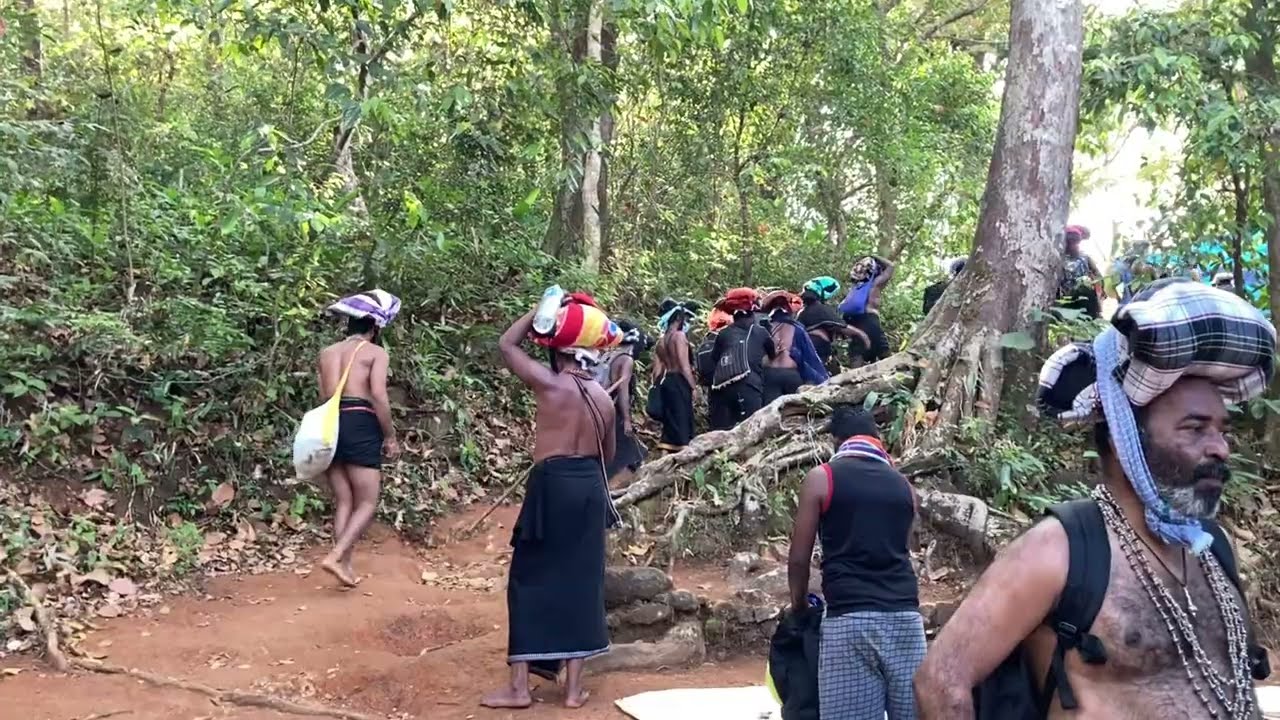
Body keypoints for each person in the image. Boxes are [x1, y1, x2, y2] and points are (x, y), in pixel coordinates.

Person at [914, 278, 1275, 719]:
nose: (1220, 447)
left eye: (1222, 430)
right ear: (1126, 439)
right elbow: (940, 681)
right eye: (1195, 428)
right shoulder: (1058, 550)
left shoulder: (1211, 548)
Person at [483, 306, 621, 711]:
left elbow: (507, 344)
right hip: (590, 488)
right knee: (582, 582)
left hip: (552, 486)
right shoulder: (604, 400)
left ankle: (519, 687)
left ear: (559, 353)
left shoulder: (550, 384)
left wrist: (537, 311)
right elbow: (607, 455)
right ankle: (574, 691)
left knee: (528, 579)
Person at [788, 406, 923, 720]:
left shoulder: (822, 478)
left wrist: (798, 606)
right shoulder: (905, 487)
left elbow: (798, 559)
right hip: (906, 619)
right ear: (876, 439)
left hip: (850, 620)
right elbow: (906, 548)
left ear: (837, 441)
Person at [317, 290, 401, 587]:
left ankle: (345, 567)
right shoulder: (376, 353)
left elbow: (324, 395)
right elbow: (378, 394)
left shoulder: (326, 353)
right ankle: (336, 556)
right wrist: (390, 436)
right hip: (359, 421)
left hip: (328, 423)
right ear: (375, 328)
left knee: (344, 500)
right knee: (366, 501)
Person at [709, 288, 776, 430]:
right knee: (752, 428)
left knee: (726, 430)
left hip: (722, 387)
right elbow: (773, 355)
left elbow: (715, 358)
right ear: (752, 313)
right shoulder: (761, 332)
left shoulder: (724, 334)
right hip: (749, 384)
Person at [761, 290, 829, 404]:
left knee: (770, 410)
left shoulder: (763, 329)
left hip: (769, 375)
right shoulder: (797, 328)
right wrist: (823, 378)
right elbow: (811, 356)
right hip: (791, 374)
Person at [604, 320, 648, 487]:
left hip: (601, 409)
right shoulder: (626, 360)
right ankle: (611, 492)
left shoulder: (609, 355)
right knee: (634, 456)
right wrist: (627, 420)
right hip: (613, 413)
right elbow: (623, 391)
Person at [653, 299, 699, 451]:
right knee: (682, 422)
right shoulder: (679, 336)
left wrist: (656, 388)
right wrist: (693, 387)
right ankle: (683, 456)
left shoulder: (661, 341)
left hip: (667, 382)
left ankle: (664, 453)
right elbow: (684, 365)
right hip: (679, 381)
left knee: (670, 423)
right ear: (679, 318)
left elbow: (657, 371)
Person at [798, 276, 869, 369]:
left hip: (806, 346)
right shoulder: (820, 309)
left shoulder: (802, 311)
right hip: (816, 345)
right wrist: (862, 335)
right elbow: (842, 327)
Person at [839, 255, 896, 364]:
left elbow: (891, 266)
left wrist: (871, 255)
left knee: (857, 356)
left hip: (859, 323)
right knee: (885, 356)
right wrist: (874, 255)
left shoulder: (858, 288)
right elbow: (890, 266)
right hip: (869, 322)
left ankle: (853, 380)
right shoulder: (873, 285)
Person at [1058, 225, 1102, 319]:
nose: (1074, 246)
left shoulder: (1085, 258)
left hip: (1087, 300)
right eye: (1071, 243)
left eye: (1076, 242)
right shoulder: (1059, 259)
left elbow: (1098, 277)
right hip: (1067, 301)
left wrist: (1096, 287)